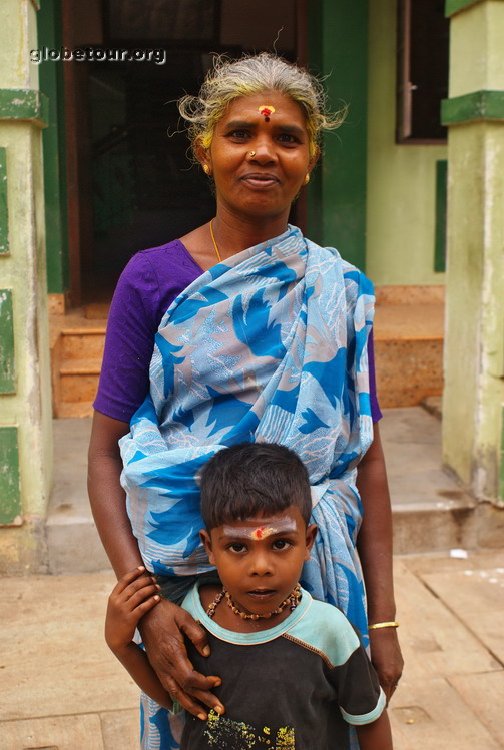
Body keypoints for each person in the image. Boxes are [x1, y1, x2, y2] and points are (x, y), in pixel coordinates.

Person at [88, 52, 403, 750]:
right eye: (240, 134)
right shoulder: (152, 280)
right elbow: (105, 455)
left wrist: (380, 622)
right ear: (205, 151)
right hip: (195, 596)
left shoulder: (339, 291)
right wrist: (149, 611)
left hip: (318, 584)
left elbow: (369, 462)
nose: (263, 151)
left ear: (310, 158)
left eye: (287, 137)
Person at [105, 443, 394, 750]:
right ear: (210, 548)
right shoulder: (192, 618)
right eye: (238, 547)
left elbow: (368, 719)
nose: (260, 567)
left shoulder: (329, 631)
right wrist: (121, 646)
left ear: (307, 542)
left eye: (280, 544)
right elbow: (177, 698)